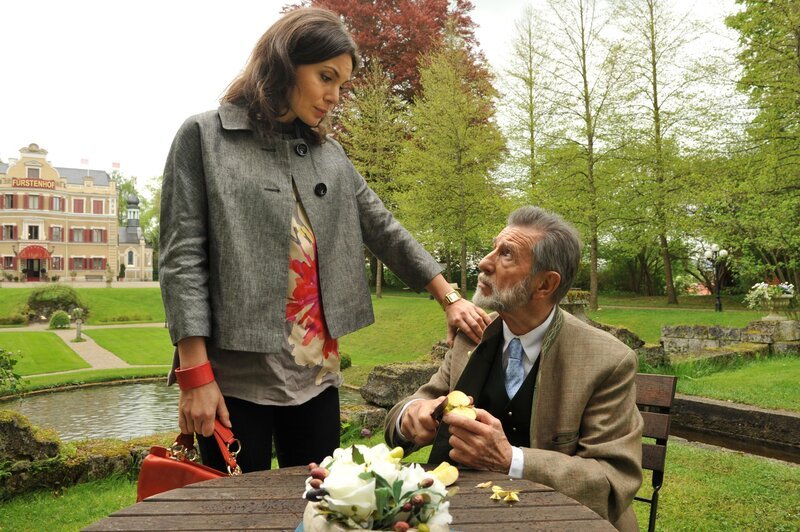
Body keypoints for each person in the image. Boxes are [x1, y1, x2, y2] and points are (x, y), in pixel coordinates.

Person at [159, 7, 490, 474]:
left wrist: (449, 296)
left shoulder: (328, 154)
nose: (335, 96)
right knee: (234, 514)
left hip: (316, 376)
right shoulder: (203, 137)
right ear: (282, 64)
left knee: (321, 507)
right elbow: (181, 260)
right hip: (232, 379)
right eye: (325, 77)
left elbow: (382, 225)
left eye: (342, 84)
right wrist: (195, 376)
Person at [384, 206, 643, 531]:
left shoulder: (607, 360)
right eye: (493, 248)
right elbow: (403, 416)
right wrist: (412, 416)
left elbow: (612, 478)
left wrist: (511, 460)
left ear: (545, 284)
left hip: (559, 523)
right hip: (460, 517)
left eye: (506, 254)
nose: (484, 262)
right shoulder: (471, 338)